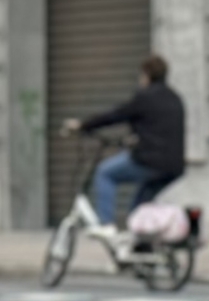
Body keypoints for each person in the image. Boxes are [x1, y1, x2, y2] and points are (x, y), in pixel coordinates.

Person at [74, 54, 185, 226]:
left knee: (105, 173)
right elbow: (160, 128)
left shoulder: (145, 97)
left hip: (150, 160)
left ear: (146, 75)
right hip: (174, 166)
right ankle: (140, 243)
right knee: (138, 210)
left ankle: (106, 225)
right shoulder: (175, 98)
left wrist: (83, 125)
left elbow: (115, 115)